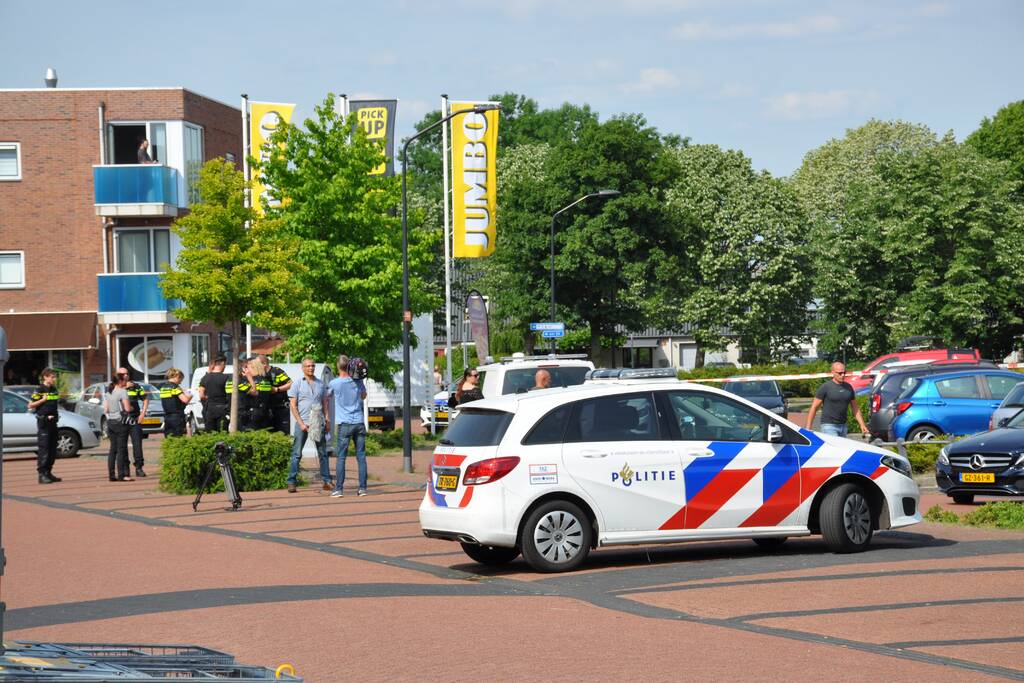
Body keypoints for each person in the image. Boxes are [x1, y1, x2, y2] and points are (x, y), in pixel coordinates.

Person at [286, 358, 332, 493]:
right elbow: (293, 406)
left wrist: (327, 420)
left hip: (318, 423)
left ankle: (327, 481)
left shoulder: (320, 384)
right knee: (297, 453)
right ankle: (292, 481)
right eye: (308, 366)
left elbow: (325, 403)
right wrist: (300, 423)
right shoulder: (297, 384)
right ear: (302, 368)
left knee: (323, 453)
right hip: (303, 423)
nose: (311, 368)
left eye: (312, 366)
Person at [328, 355, 368, 498]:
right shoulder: (358, 381)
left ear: (338, 367)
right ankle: (363, 488)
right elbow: (364, 396)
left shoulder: (334, 383)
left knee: (341, 457)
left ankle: (339, 489)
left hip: (344, 424)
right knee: (361, 456)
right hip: (359, 422)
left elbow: (326, 397)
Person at [805, 362, 869, 437]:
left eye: (844, 373)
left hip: (843, 426)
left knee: (842, 448)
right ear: (833, 372)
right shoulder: (825, 387)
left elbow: (855, 408)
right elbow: (814, 407)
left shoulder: (848, 387)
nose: (843, 375)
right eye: (840, 373)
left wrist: (862, 425)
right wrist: (808, 428)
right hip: (829, 426)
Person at [28, 368, 62, 484]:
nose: (54, 379)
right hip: (44, 423)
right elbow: (31, 405)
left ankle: (48, 472)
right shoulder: (39, 389)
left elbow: (54, 405)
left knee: (53, 449)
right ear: (45, 377)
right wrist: (42, 400)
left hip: (53, 423)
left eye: (54, 377)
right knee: (44, 449)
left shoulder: (54, 389)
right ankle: (42, 474)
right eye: (52, 377)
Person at [118, 366, 149, 477]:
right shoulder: (115, 387)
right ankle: (126, 469)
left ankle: (139, 467)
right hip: (121, 420)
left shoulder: (136, 386)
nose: (125, 375)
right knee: (122, 446)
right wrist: (124, 387)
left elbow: (145, 399)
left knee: (137, 444)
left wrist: (142, 414)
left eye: (127, 373)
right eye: (122, 374)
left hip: (135, 419)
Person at [105, 372, 133, 481]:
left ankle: (112, 475)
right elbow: (127, 409)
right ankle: (122, 475)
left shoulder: (109, 392)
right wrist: (132, 409)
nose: (126, 382)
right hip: (120, 422)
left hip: (111, 422)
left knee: (113, 450)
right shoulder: (123, 392)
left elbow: (106, 410)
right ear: (121, 381)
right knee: (121, 449)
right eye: (125, 380)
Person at [259, 354, 293, 434]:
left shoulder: (277, 371)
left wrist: (277, 389)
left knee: (282, 433)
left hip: (280, 408)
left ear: (264, 363)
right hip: (267, 409)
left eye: (257, 364)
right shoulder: (259, 375)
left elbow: (291, 383)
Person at [199, 356, 229, 432]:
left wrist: (207, 398)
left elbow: (201, 395)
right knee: (222, 432)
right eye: (225, 365)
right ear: (222, 363)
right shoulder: (226, 378)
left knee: (210, 432)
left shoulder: (205, 378)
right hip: (222, 408)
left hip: (209, 408)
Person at [160, 368, 191, 437]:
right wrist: (190, 395)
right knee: (178, 437)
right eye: (180, 380)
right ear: (177, 377)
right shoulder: (175, 387)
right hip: (177, 417)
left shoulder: (163, 387)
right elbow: (185, 400)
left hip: (167, 416)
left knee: (169, 437)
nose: (180, 382)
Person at [227, 357, 256, 431]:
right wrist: (250, 378)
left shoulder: (229, 380)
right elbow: (254, 392)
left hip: (232, 411)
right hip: (242, 412)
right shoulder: (241, 381)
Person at [248, 356, 274, 430]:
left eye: (248, 368)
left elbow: (253, 392)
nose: (247, 371)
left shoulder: (252, 381)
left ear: (254, 368)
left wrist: (249, 379)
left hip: (254, 413)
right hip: (265, 412)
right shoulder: (266, 381)